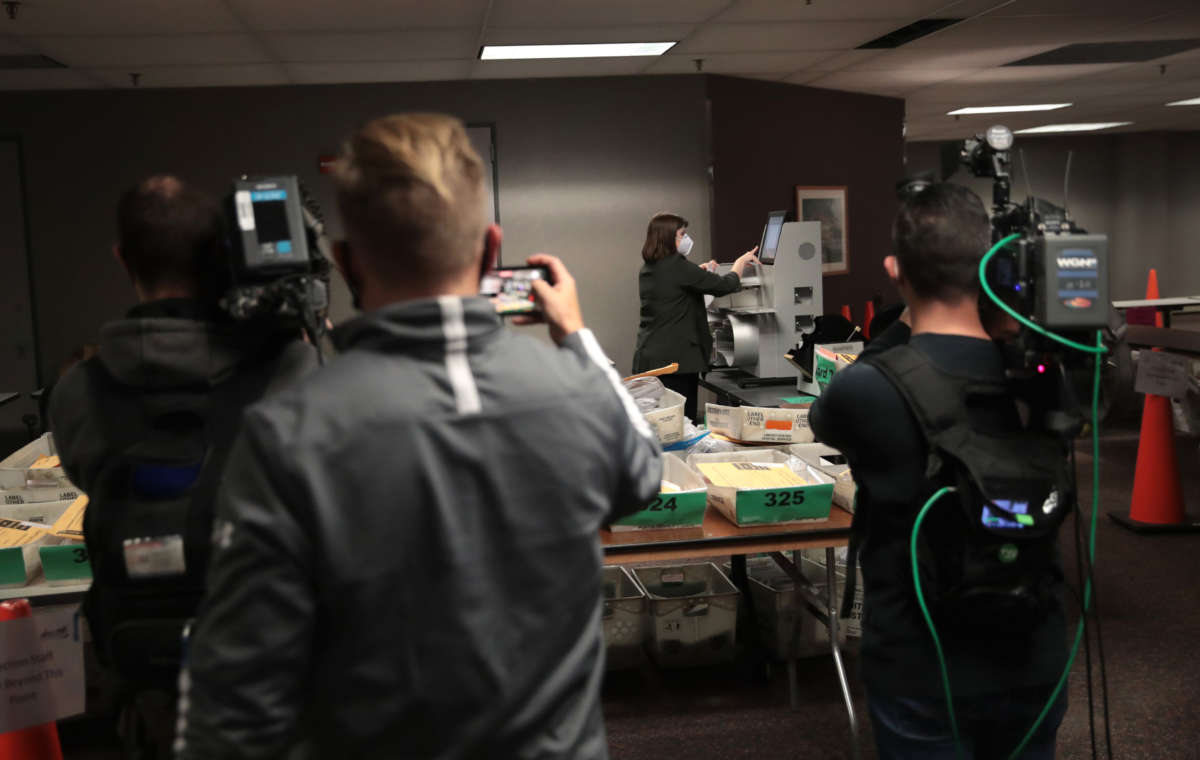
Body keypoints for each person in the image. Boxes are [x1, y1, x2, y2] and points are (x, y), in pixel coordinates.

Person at [175, 113, 662, 760]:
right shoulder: (578, 394)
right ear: (491, 251)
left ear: (346, 264)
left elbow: (234, 707)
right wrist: (575, 336)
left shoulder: (286, 435)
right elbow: (644, 471)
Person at [49, 175, 317, 754]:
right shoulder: (289, 370)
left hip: (143, 677)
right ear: (221, 255)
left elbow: (81, 472)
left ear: (122, 258)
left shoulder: (77, 392)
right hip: (265, 671)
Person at [810, 184, 1068, 759]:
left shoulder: (869, 388)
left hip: (923, 664)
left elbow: (820, 418)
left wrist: (898, 323)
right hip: (1034, 646)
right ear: (988, 269)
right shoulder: (1042, 377)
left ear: (895, 270)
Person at [632, 212, 759, 420]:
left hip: (651, 356)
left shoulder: (650, 267)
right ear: (668, 238)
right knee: (681, 423)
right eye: (682, 234)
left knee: (660, 421)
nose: (686, 239)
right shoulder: (677, 267)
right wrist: (740, 264)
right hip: (675, 361)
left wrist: (697, 273)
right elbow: (724, 285)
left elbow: (674, 287)